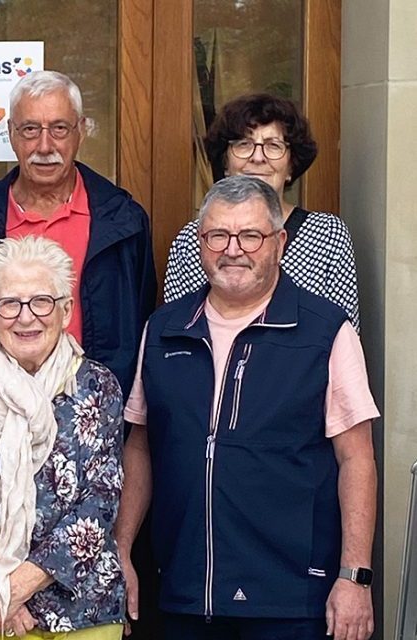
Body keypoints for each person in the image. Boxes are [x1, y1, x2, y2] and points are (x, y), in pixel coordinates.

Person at [116, 176, 379, 640]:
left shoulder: (326, 332)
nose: (232, 249)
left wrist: (354, 576)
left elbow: (356, 459)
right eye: (217, 235)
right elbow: (141, 446)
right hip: (183, 592)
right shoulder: (163, 330)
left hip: (292, 599)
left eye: (250, 235)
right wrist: (120, 549)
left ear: (278, 243)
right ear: (201, 243)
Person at [0, 236, 125, 640]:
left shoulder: (97, 387)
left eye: (42, 302)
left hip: (77, 610)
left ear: (66, 310)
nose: (26, 317)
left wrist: (15, 589)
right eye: (10, 303)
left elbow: (101, 499)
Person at [0, 69, 156, 394]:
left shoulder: (123, 223)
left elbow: (142, 325)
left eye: (59, 128)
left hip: (94, 413)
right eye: (29, 130)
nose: (44, 145)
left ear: (80, 131)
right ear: (11, 134)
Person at [164, 93, 361, 330]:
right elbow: (175, 333)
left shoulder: (328, 235)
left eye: (273, 146)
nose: (258, 157)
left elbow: (344, 334)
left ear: (291, 165)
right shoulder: (191, 239)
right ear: (225, 164)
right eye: (244, 144)